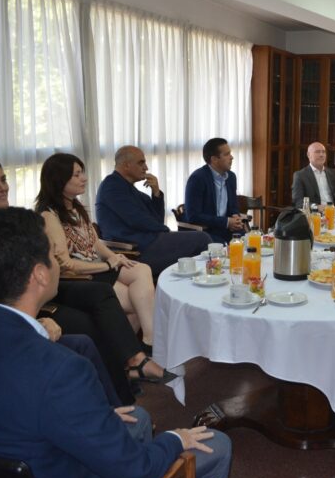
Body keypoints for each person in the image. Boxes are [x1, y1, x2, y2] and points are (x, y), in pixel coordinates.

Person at [0, 207, 232, 478]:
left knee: (137, 418)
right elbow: (139, 472)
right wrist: (175, 439)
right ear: (39, 275)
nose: (57, 263)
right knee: (217, 445)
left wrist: (85, 413)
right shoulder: (61, 369)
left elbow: (14, 403)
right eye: (53, 254)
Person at [0, 155, 169, 403]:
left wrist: (111, 258)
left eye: (3, 179)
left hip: (45, 286)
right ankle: (124, 396)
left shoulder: (9, 218)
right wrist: (37, 318)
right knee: (90, 326)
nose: (3, 187)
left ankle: (135, 361)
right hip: (22, 302)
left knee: (104, 293)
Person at [36, 153, 159, 355]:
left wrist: (114, 257)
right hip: (80, 276)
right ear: (59, 179)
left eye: (82, 173)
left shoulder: (75, 207)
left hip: (98, 267)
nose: (83, 178)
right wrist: (108, 265)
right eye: (76, 175)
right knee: (138, 301)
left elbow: (95, 243)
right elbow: (66, 264)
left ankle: (146, 343)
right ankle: (137, 352)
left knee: (142, 270)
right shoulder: (49, 215)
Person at [96, 145, 211, 278]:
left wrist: (156, 193)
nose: (146, 167)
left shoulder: (130, 189)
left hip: (148, 242)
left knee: (201, 242)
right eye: (141, 163)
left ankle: (192, 285)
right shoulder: (112, 186)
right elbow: (136, 220)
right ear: (126, 165)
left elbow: (157, 220)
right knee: (202, 239)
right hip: (134, 250)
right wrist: (165, 230)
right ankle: (207, 282)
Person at [184, 137, 246, 243]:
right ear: (214, 159)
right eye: (226, 154)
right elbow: (193, 216)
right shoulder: (198, 179)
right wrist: (226, 222)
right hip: (207, 231)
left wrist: (235, 217)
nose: (232, 157)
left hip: (227, 229)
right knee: (225, 247)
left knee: (247, 242)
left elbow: (233, 207)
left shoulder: (231, 177)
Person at [292, 141, 335, 210]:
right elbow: (298, 202)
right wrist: (317, 207)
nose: (321, 155)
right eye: (317, 152)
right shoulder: (300, 176)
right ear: (308, 155)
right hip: (315, 215)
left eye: (323, 152)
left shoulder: (333, 173)